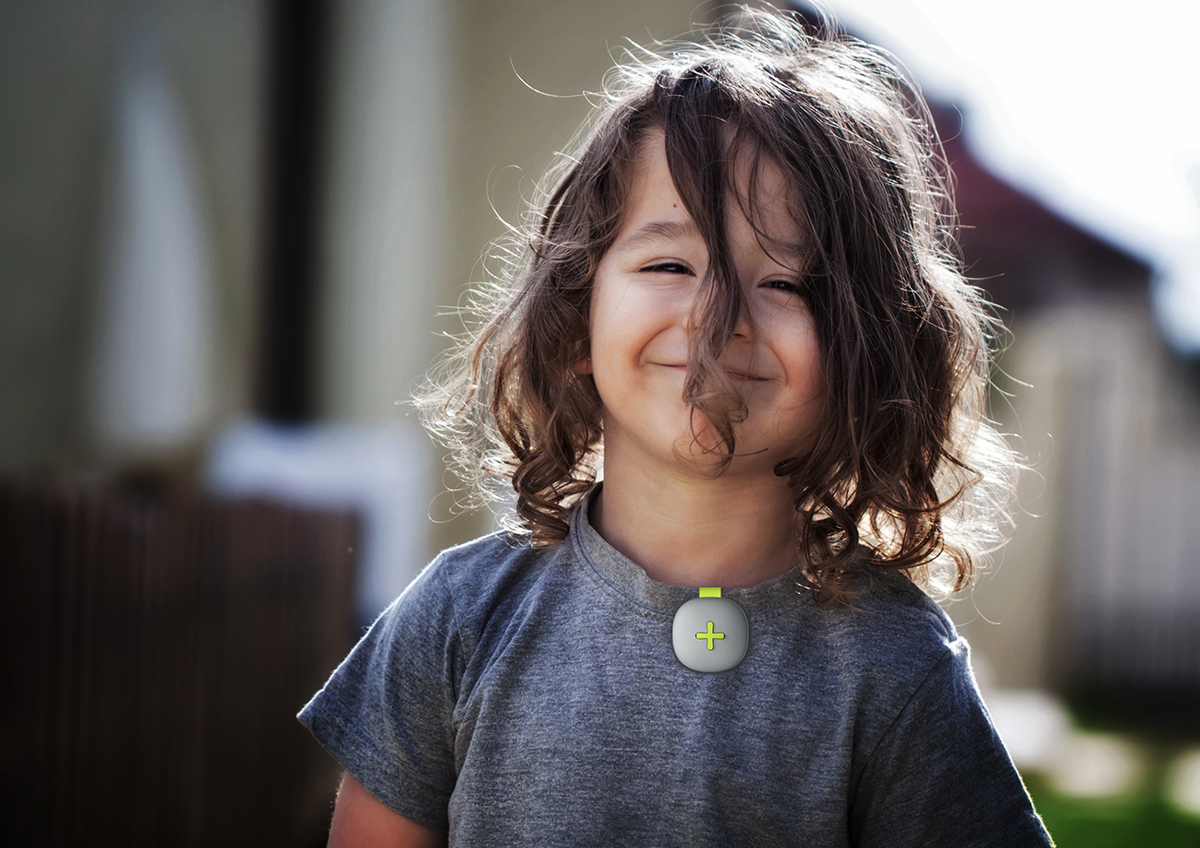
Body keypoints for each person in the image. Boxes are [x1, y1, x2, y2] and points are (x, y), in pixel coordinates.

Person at [299, 7, 1054, 846]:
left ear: (868, 354)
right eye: (669, 263)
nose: (718, 313)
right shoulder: (457, 617)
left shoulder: (894, 664)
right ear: (574, 317)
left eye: (789, 283)